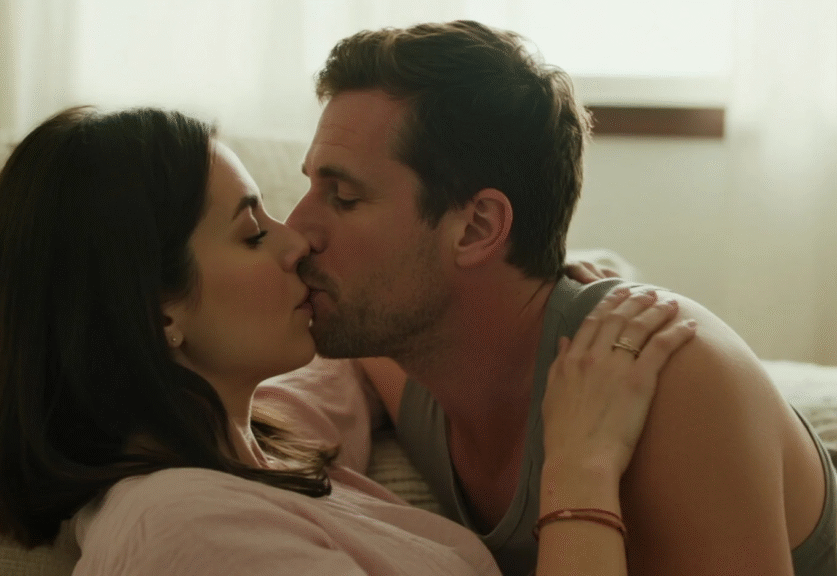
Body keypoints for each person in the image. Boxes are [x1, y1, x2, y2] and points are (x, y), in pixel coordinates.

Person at [0, 105, 696, 575]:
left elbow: (36, 351)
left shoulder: (257, 439)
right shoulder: (188, 531)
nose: (296, 238)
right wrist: (580, 475)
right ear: (157, 315)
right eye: (250, 230)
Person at [282, 19, 836, 576]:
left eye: (344, 197)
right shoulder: (412, 357)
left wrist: (579, 470)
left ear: (477, 228)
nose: (295, 229)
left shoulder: (673, 377)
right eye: (309, 187)